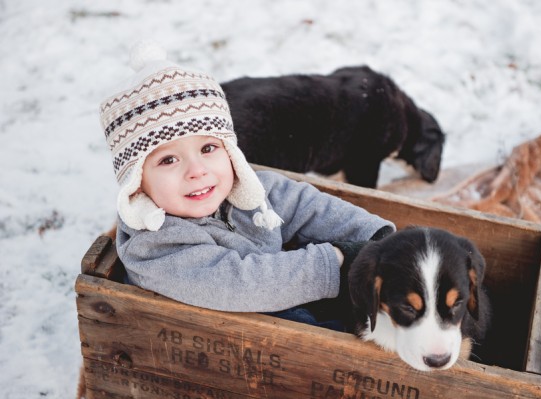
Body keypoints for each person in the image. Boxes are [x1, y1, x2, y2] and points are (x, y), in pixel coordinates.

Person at [99, 41, 394, 329]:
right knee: (330, 331)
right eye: (168, 161)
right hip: (236, 333)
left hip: (282, 298)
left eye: (208, 149)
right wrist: (336, 262)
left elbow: (306, 205)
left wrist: (375, 237)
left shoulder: (244, 191)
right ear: (137, 183)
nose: (197, 171)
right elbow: (240, 282)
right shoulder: (155, 246)